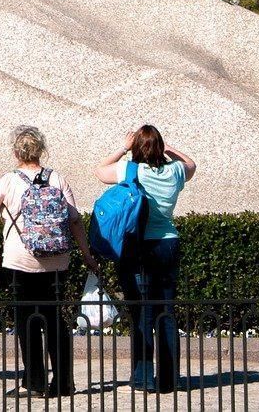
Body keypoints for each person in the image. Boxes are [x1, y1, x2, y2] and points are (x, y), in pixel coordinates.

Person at [0, 125, 96, 399]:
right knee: (54, 319)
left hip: (21, 261)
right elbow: (75, 220)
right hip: (56, 261)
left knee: (28, 321)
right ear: (41, 150)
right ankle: (63, 382)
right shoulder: (57, 179)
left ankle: (35, 383)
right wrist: (87, 255)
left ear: (16, 151)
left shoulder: (10, 180)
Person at [96, 126, 196, 394]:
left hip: (138, 245)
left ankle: (143, 376)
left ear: (136, 148)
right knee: (167, 310)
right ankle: (170, 377)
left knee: (142, 311)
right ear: (160, 147)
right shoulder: (175, 172)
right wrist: (168, 150)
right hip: (167, 242)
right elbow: (191, 164)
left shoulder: (131, 170)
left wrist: (124, 148)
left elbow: (100, 169)